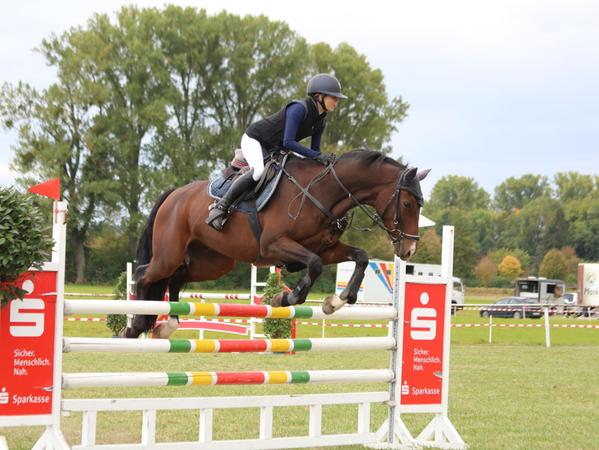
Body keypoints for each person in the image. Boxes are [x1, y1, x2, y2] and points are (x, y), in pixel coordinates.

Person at [206, 73, 347, 231]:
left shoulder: (320, 121)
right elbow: (289, 142)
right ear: (319, 96)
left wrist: (325, 161)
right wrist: (316, 156)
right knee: (258, 171)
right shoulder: (299, 109)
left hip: (275, 149)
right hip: (255, 139)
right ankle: (220, 207)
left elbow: (315, 151)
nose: (337, 101)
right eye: (333, 97)